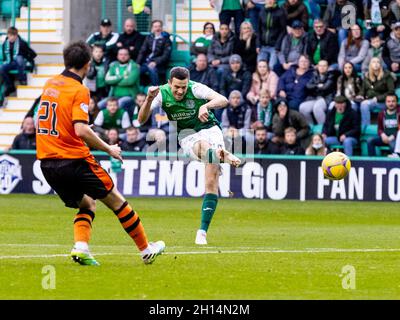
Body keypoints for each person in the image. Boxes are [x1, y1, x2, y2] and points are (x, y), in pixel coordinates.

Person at [36, 41, 165, 266]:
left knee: (87, 204)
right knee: (117, 201)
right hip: (74, 161)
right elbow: (81, 129)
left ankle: (81, 247)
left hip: (47, 162)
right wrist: (109, 148)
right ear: (87, 65)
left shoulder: (49, 84)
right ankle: (146, 249)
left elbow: (55, 120)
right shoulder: (80, 90)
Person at [138, 67, 241, 245]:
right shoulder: (160, 94)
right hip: (187, 135)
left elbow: (223, 100)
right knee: (202, 147)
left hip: (210, 129)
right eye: (176, 87)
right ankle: (219, 154)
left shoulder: (195, 88)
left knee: (211, 182)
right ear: (169, 83)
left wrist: (205, 105)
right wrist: (148, 99)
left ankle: (202, 232)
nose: (180, 91)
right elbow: (141, 119)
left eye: (183, 87)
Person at [99, 47, 140, 117]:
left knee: (119, 104)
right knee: (99, 105)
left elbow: (129, 81)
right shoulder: (113, 66)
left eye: (125, 54)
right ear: (117, 56)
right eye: (121, 54)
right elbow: (107, 80)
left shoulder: (134, 66)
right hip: (114, 96)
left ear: (129, 56)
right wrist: (122, 77)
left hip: (129, 96)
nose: (123, 56)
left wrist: (114, 81)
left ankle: (119, 125)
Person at [0, 27, 37, 97]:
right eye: (10, 35)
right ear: (8, 35)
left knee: (19, 58)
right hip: (10, 62)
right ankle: (10, 86)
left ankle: (22, 79)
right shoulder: (5, 43)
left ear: (16, 35)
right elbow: (5, 56)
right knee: (1, 68)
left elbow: (32, 53)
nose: (12, 37)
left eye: (14, 36)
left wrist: (29, 60)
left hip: (20, 63)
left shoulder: (21, 43)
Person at [359, 57, 396, 126]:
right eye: (373, 62)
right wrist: (360, 95)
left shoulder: (387, 75)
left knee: (364, 104)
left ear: (380, 65)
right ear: (370, 65)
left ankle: (366, 127)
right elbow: (362, 90)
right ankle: (365, 127)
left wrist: (378, 98)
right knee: (362, 104)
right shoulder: (367, 76)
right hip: (370, 101)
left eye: (378, 62)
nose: (376, 64)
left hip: (384, 102)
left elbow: (391, 91)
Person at [299, 60, 336, 125]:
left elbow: (325, 87)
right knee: (302, 107)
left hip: (326, 98)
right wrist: (317, 85)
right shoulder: (314, 74)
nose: (322, 67)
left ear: (327, 67)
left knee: (317, 107)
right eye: (320, 66)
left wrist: (314, 87)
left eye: (324, 66)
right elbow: (308, 86)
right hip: (315, 98)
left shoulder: (331, 75)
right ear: (318, 67)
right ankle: (311, 126)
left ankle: (323, 128)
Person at [137, 20, 172, 86]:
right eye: (155, 27)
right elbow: (142, 51)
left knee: (152, 69)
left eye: (159, 26)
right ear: (152, 28)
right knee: (135, 71)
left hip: (159, 64)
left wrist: (155, 62)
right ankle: (138, 91)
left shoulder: (166, 39)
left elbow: (166, 55)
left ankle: (156, 89)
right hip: (147, 62)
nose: (157, 28)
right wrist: (138, 63)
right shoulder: (149, 37)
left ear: (162, 28)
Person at [257, 0, 287, 70]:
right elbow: (258, 29)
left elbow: (283, 30)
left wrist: (277, 45)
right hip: (263, 45)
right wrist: (258, 44)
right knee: (260, 67)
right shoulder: (262, 11)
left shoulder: (280, 12)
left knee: (271, 67)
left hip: (274, 47)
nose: (270, 1)